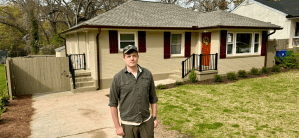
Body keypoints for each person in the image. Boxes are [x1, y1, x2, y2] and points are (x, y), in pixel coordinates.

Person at [108, 45, 158, 138]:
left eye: (134, 56)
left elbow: (153, 98)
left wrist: (154, 118)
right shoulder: (118, 78)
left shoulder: (147, 74)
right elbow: (113, 104)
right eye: (128, 56)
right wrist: (117, 126)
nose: (132, 59)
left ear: (138, 57)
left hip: (146, 123)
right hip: (128, 125)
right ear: (124, 58)